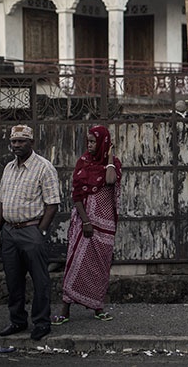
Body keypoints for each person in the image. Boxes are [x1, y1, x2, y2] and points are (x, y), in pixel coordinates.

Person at [0, 124, 60, 341]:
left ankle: (41, 323)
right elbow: (2, 203)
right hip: (9, 233)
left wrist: (39, 232)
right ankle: (17, 321)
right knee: (13, 281)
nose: (16, 145)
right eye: (13, 141)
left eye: (21, 141)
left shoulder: (44, 167)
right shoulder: (9, 168)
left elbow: (52, 204)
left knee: (40, 281)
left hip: (31, 231)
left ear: (31, 142)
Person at [53, 125, 122, 325]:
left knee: (99, 267)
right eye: (88, 141)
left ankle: (98, 307)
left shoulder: (114, 164)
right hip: (85, 223)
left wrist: (109, 156)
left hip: (105, 225)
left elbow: (109, 180)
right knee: (74, 264)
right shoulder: (83, 163)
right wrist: (85, 221)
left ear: (103, 143)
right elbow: (77, 196)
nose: (90, 145)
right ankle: (65, 310)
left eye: (93, 141)